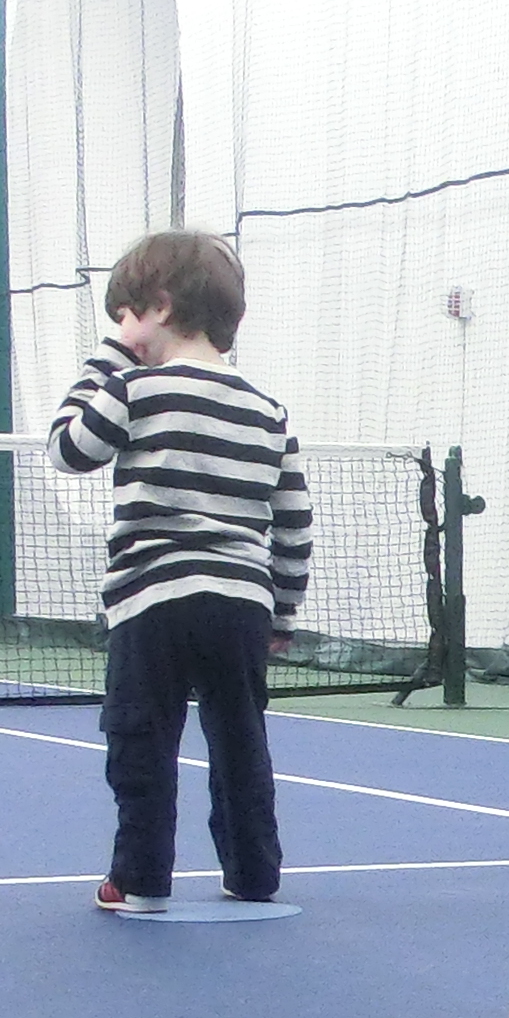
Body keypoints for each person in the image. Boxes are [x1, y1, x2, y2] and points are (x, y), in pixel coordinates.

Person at [49, 231, 310, 914]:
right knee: (241, 740)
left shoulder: (132, 386)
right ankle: (254, 874)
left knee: (142, 737)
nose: (123, 330)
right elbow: (294, 523)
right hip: (240, 606)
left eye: (126, 315)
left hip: (152, 600)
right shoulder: (268, 412)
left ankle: (139, 880)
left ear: (158, 307)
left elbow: (69, 448)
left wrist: (109, 357)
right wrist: (281, 613)